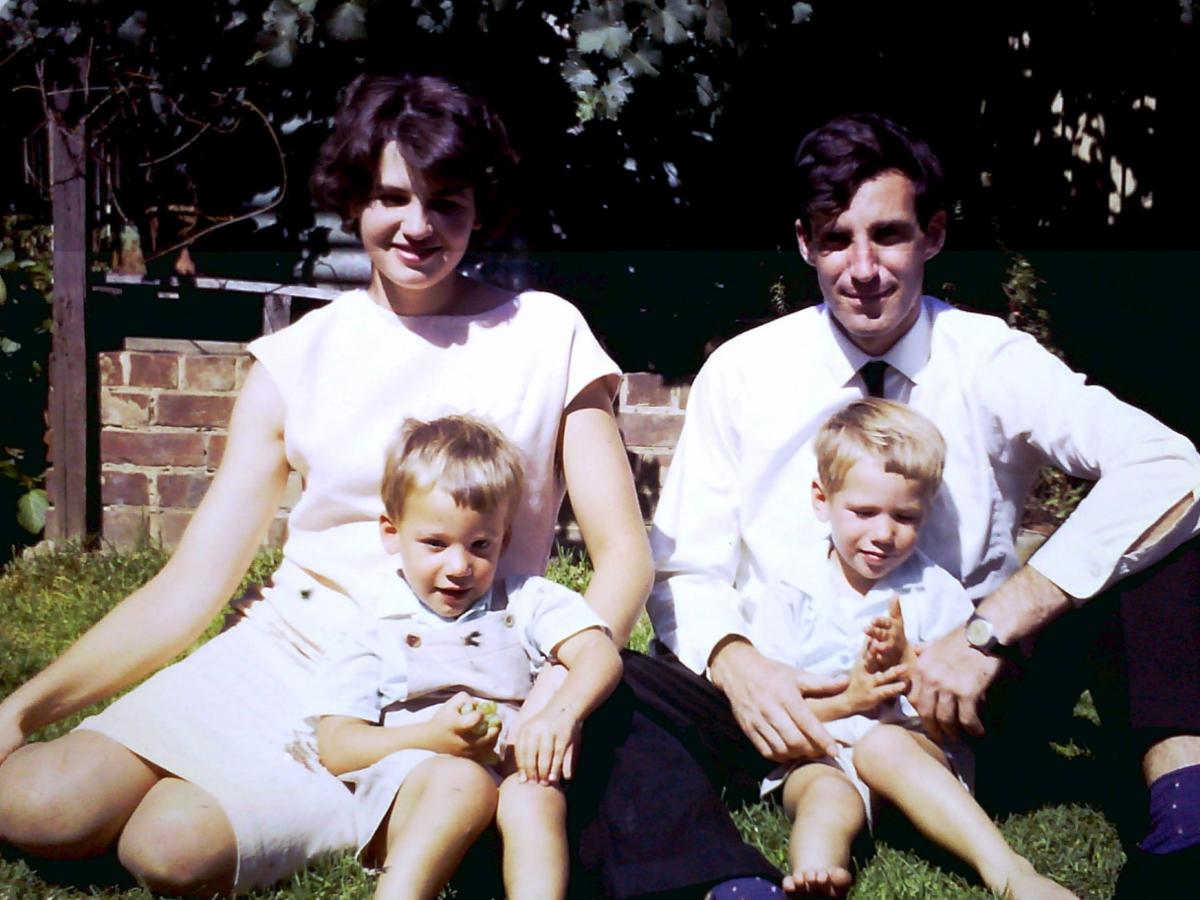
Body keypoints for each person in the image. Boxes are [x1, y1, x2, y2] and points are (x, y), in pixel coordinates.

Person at [0, 73, 652, 895]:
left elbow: (624, 557)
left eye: (446, 202)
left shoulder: (547, 336)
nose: (418, 227)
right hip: (286, 654)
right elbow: (192, 584)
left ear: (480, 207)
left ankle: (311, 798)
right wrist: (19, 711)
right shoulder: (298, 356)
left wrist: (557, 697)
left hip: (433, 691)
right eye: (390, 198)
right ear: (353, 203)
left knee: (170, 851)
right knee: (38, 805)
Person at [620, 111, 1200, 897]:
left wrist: (990, 631)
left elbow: (1171, 464)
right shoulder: (746, 371)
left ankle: (1184, 821)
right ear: (803, 243)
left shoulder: (990, 356)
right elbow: (684, 560)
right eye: (835, 239)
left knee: (1164, 532)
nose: (862, 268)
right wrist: (738, 662)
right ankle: (725, 881)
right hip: (781, 705)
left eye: (888, 235)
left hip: (963, 693)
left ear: (933, 233)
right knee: (601, 678)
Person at [749, 398, 1072, 898]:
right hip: (820, 753)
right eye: (863, 512)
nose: (883, 534)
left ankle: (1009, 871)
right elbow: (780, 709)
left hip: (912, 751)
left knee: (883, 745)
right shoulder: (791, 590)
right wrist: (851, 701)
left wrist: (911, 663)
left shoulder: (934, 589)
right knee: (824, 796)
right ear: (821, 499)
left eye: (905, 516)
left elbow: (955, 705)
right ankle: (817, 874)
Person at [314, 415, 622, 900]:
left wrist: (562, 714)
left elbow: (597, 652)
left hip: (506, 784)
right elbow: (336, 746)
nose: (459, 567)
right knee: (460, 780)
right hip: (416, 800)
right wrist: (433, 738)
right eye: (435, 544)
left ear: (505, 540)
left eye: (480, 545)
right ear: (392, 533)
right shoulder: (376, 626)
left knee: (535, 792)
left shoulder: (524, 600)